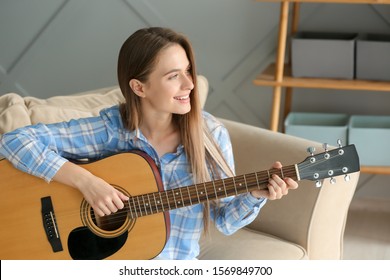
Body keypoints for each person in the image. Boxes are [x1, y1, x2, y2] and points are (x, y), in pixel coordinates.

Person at [0, 27, 298, 260]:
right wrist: (87, 182)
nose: (190, 84)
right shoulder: (110, 129)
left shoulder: (211, 135)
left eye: (188, 71)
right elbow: (15, 140)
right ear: (139, 87)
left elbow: (224, 221)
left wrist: (255, 195)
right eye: (174, 76)